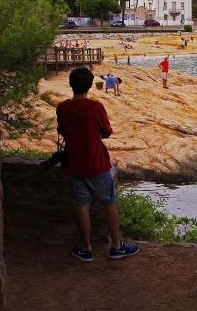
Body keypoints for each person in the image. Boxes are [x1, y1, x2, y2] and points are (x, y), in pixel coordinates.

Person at [56, 67, 139, 262]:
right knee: (110, 202)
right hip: (96, 163)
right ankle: (116, 247)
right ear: (91, 85)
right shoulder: (96, 107)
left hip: (75, 165)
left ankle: (86, 248)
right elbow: (107, 131)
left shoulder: (63, 107)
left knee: (81, 205)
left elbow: (61, 129)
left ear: (70, 84)